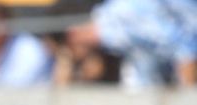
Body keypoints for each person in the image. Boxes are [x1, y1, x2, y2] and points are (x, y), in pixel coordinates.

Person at [66, 0, 197, 87]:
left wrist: (188, 99)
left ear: (73, 35)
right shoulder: (113, 26)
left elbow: (183, 45)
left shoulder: (120, 18)